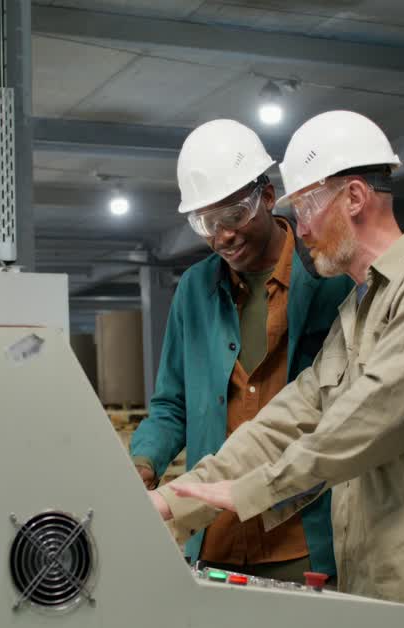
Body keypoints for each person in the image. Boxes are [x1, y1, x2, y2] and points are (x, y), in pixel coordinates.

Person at [149, 110, 404, 628]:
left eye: (306, 207)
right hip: (363, 601)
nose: (300, 228)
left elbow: (364, 426)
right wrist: (175, 499)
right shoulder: (359, 311)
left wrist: (246, 492)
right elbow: (294, 414)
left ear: (355, 197)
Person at [129, 118, 353, 584]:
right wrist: (144, 462)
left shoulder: (329, 279)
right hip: (216, 534)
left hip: (303, 532)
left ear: (268, 196)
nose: (222, 235)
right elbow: (171, 403)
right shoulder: (194, 291)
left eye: (233, 215)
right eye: (206, 223)